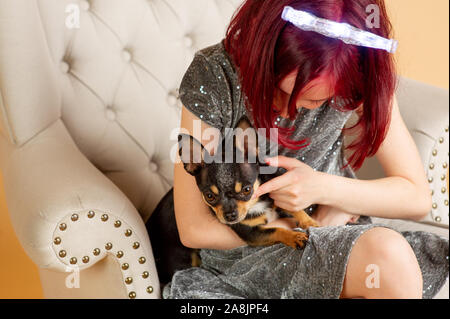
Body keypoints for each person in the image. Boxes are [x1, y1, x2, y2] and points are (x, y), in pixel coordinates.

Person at [164, 0, 449, 299]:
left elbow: (416, 197)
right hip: (246, 252)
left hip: (341, 235)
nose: (289, 111)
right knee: (387, 258)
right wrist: (304, 228)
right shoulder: (214, 75)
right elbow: (193, 229)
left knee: (391, 257)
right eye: (279, 89)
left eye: (315, 101)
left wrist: (327, 192)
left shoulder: (357, 71)